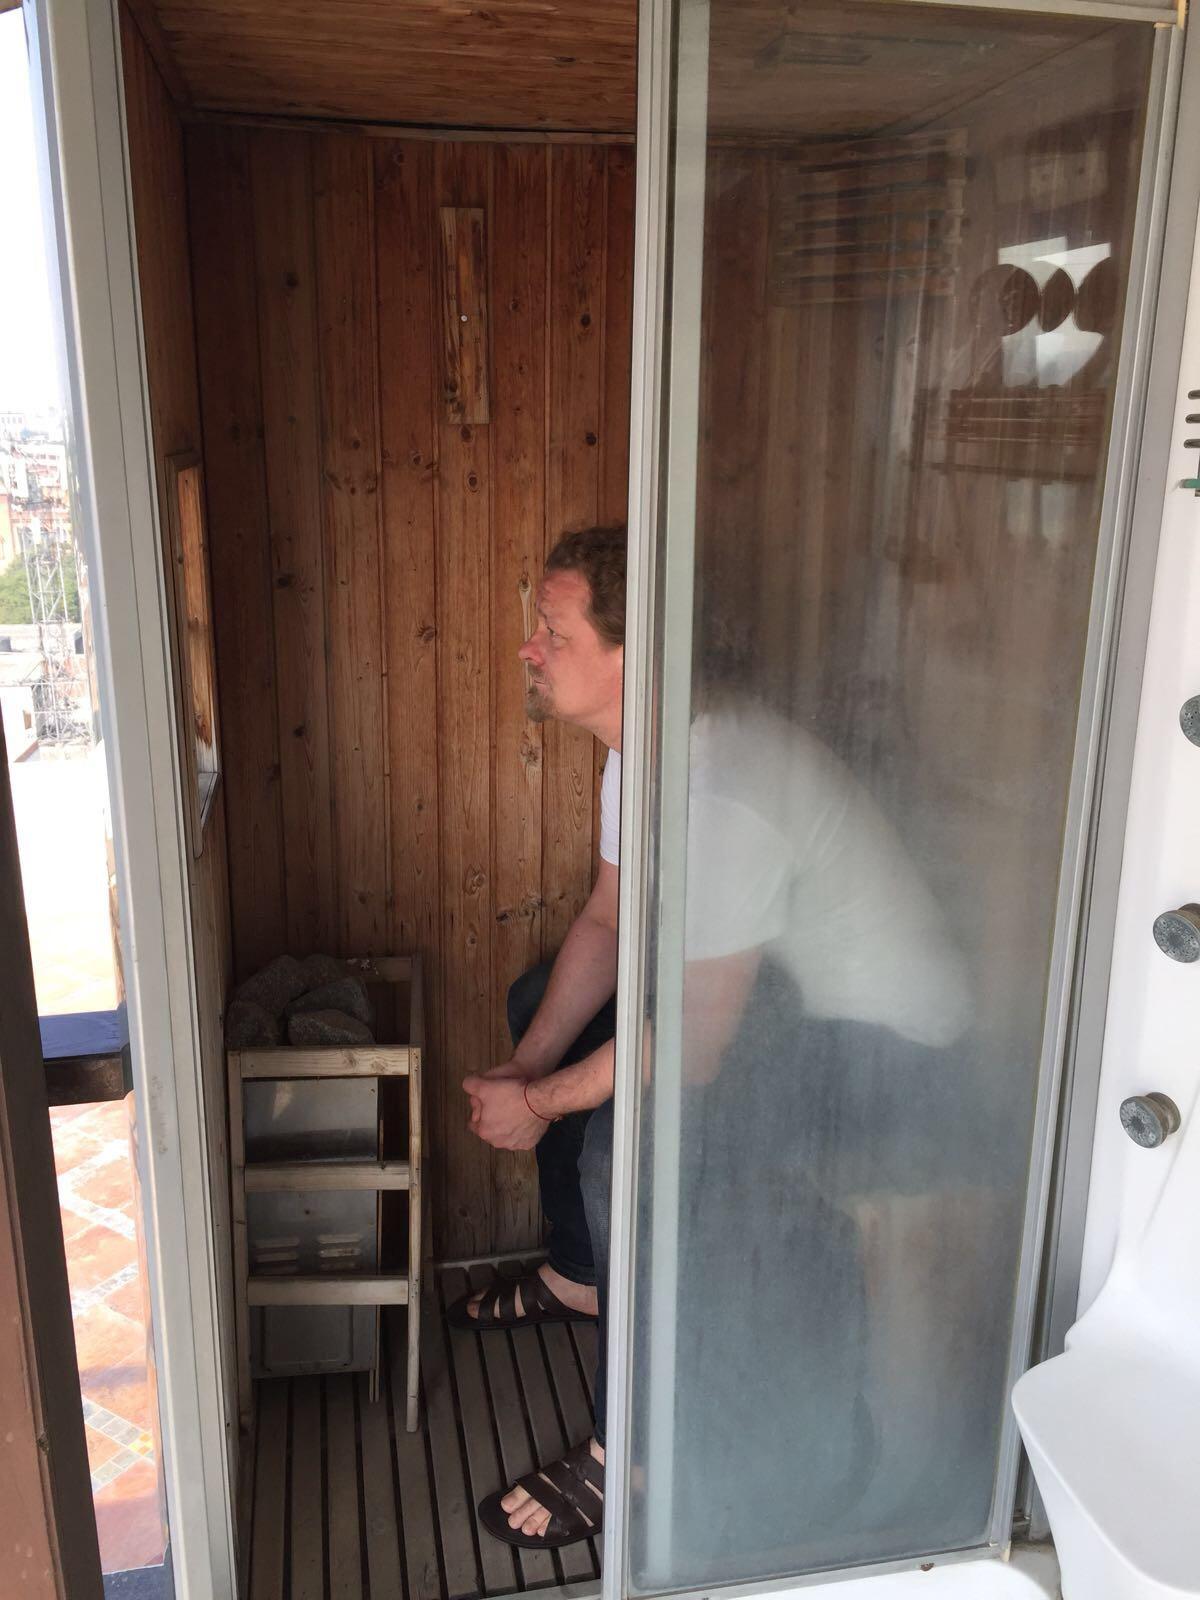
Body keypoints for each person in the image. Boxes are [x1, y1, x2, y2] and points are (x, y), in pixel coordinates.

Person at [454, 525, 973, 1557]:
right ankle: (585, 1273)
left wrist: (544, 1104)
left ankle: (636, 1447)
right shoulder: (639, 753)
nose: (528, 648)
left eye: (553, 632)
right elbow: (608, 920)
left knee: (629, 1152)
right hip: (794, 1009)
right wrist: (529, 1065)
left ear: (630, 656)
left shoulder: (720, 788)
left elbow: (690, 1046)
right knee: (540, 998)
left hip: (891, 1053)